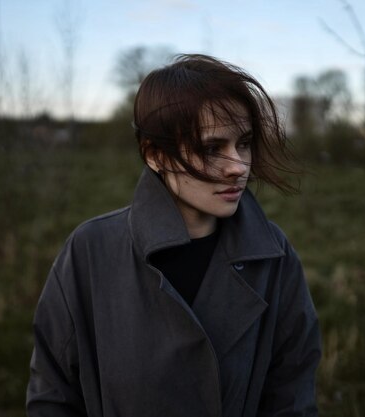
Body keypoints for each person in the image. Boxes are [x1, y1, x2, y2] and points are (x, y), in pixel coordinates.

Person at [26, 54, 321, 417]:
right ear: (155, 155)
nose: (238, 167)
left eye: (243, 143)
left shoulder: (274, 257)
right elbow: (53, 396)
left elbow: (292, 396)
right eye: (212, 148)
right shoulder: (91, 252)